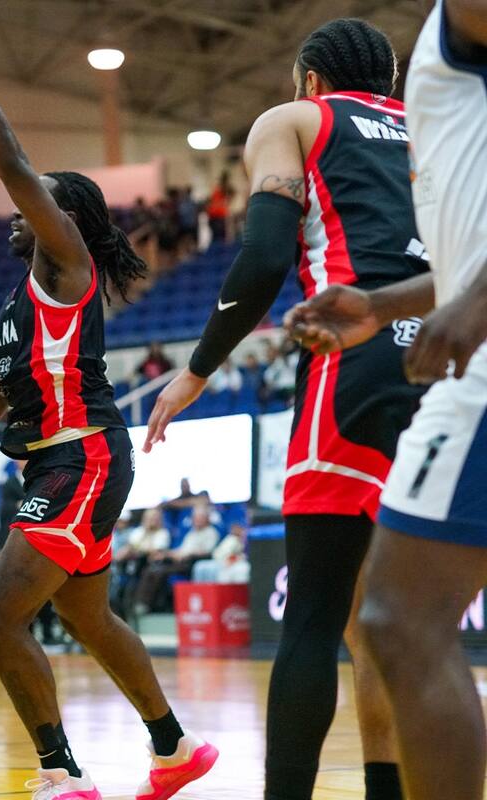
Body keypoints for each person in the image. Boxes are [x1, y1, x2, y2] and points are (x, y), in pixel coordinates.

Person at [0, 5, 218, 799]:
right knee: (90, 619)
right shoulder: (22, 308)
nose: (19, 211)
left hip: (82, 456)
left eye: (39, 202)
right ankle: (175, 748)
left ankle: (61, 772)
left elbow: (13, 165)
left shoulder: (67, 266)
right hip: (56, 463)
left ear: (61, 216)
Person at [144, 19, 426, 800]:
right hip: (446, 365)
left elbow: (267, 255)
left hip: (356, 356)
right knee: (391, 625)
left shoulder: (295, 120)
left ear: (309, 78)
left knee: (312, 621)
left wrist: (196, 371)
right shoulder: (432, 130)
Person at [284, 3, 487, 798]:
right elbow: (460, 260)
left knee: (399, 620)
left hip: (475, 361)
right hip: (447, 341)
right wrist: (384, 306)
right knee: (394, 621)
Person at [132, 503, 220, 614]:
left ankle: (151, 605)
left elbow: (208, 552)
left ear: (206, 519)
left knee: (159, 571)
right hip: (179, 560)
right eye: (195, 518)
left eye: (199, 518)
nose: (196, 520)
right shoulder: (192, 533)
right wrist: (166, 554)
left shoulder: (211, 532)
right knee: (151, 569)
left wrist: (186, 554)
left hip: (191, 563)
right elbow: (181, 550)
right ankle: (142, 603)